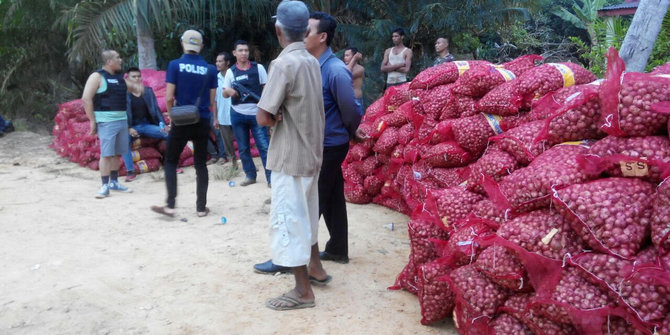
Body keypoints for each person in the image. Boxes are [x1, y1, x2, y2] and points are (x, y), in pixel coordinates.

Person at [254, 10, 362, 275]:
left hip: (321, 146)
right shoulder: (314, 63)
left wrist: (352, 131)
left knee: (303, 206)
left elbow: (349, 108)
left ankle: (293, 265)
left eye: (311, 31)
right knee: (330, 198)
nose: (307, 35)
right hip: (319, 145)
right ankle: (334, 251)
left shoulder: (329, 68)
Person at [255, 0, 329, 310]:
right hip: (311, 154)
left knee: (289, 220)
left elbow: (262, 116)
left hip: (290, 155)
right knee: (308, 215)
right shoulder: (312, 60)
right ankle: (315, 268)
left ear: (278, 30)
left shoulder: (283, 64)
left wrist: (274, 116)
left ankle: (302, 291)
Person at [151, 29, 217, 218]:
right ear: (201, 46)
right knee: (200, 165)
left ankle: (171, 205)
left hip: (181, 121)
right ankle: (201, 208)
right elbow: (212, 101)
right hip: (202, 119)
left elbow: (169, 97)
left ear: (183, 44)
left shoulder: (175, 65)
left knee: (171, 161)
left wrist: (172, 117)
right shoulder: (210, 69)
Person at [81, 50, 134, 198]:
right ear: (109, 61)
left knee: (117, 154)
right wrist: (92, 121)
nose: (121, 60)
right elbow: (86, 99)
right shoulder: (96, 77)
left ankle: (114, 182)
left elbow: (134, 89)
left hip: (122, 120)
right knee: (106, 154)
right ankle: (104, 185)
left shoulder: (119, 78)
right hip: (106, 122)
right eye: (117, 58)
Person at [222, 40, 271, 187]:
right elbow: (224, 92)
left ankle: (271, 179)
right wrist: (229, 91)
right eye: (240, 50)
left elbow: (267, 88)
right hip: (237, 113)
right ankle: (250, 175)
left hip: (257, 113)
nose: (244, 53)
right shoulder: (231, 72)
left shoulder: (259, 68)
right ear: (234, 53)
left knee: (264, 146)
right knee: (243, 147)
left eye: (246, 50)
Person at [121, 67, 169, 182]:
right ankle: (130, 171)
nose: (137, 79)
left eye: (139, 76)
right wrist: (128, 128)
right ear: (127, 78)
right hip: (131, 127)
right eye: (134, 76)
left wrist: (163, 124)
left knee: (169, 135)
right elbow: (120, 114)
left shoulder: (147, 91)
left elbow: (156, 110)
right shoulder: (123, 93)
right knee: (122, 141)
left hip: (146, 125)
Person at [214, 51, 238, 168]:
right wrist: (215, 118)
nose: (217, 63)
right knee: (227, 143)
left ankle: (248, 163)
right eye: (217, 61)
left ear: (227, 62)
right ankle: (234, 165)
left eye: (220, 61)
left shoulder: (234, 75)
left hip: (236, 113)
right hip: (223, 115)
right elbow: (215, 100)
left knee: (242, 140)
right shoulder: (215, 79)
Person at [343, 46, 365, 111]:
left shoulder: (360, 68)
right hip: (345, 100)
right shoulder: (342, 67)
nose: (345, 58)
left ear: (354, 56)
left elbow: (347, 75)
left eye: (347, 56)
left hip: (356, 99)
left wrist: (354, 59)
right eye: (344, 56)